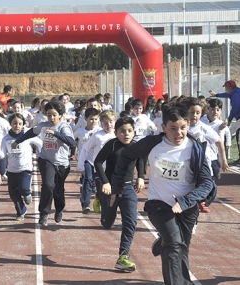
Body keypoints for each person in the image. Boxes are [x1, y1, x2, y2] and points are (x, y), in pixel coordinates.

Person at [111, 103, 215, 285]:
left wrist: (186, 201)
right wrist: (117, 187)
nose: (179, 133)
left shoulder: (195, 149)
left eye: (183, 128)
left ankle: (162, 243)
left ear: (188, 125)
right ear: (164, 127)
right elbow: (126, 156)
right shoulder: (152, 144)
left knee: (181, 247)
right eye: (173, 129)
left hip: (187, 206)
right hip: (159, 204)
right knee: (175, 245)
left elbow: (207, 183)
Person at [12, 101, 75, 226]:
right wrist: (18, 141)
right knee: (48, 185)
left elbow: (72, 142)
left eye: (54, 115)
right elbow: (31, 132)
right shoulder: (43, 125)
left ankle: (59, 209)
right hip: (46, 159)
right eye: (48, 115)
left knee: (58, 189)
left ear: (60, 115)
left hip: (62, 163)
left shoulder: (64, 127)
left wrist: (56, 133)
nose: (51, 118)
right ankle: (44, 213)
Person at [94, 116, 144, 272]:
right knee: (107, 222)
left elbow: (142, 160)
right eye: (122, 131)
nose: (126, 134)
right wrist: (105, 182)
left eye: (129, 131)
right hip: (110, 189)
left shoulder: (136, 146)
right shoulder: (112, 145)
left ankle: (123, 257)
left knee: (130, 222)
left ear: (134, 132)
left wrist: (141, 177)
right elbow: (97, 162)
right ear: (116, 133)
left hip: (128, 188)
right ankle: (100, 200)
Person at [0, 113, 42, 221]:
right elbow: (2, 154)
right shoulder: (6, 139)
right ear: (10, 124)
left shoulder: (27, 135)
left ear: (23, 125)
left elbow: (40, 143)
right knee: (13, 194)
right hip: (11, 170)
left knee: (24, 188)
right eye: (14, 123)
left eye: (20, 123)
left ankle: (27, 193)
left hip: (25, 168)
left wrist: (42, 154)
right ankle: (21, 211)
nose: (17, 126)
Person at [76, 110, 116, 213]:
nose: (109, 125)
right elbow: (85, 148)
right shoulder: (97, 135)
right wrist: (80, 166)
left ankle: (98, 200)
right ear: (101, 123)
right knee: (94, 183)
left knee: (102, 190)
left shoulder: (117, 135)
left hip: (110, 168)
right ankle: (87, 204)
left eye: (111, 122)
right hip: (96, 165)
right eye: (105, 123)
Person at [209, 80, 240, 162]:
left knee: (230, 131)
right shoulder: (234, 92)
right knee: (237, 136)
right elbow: (226, 94)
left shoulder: (236, 94)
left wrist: (229, 119)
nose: (226, 89)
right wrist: (216, 95)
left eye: (226, 87)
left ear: (230, 87)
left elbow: (235, 109)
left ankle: (224, 146)